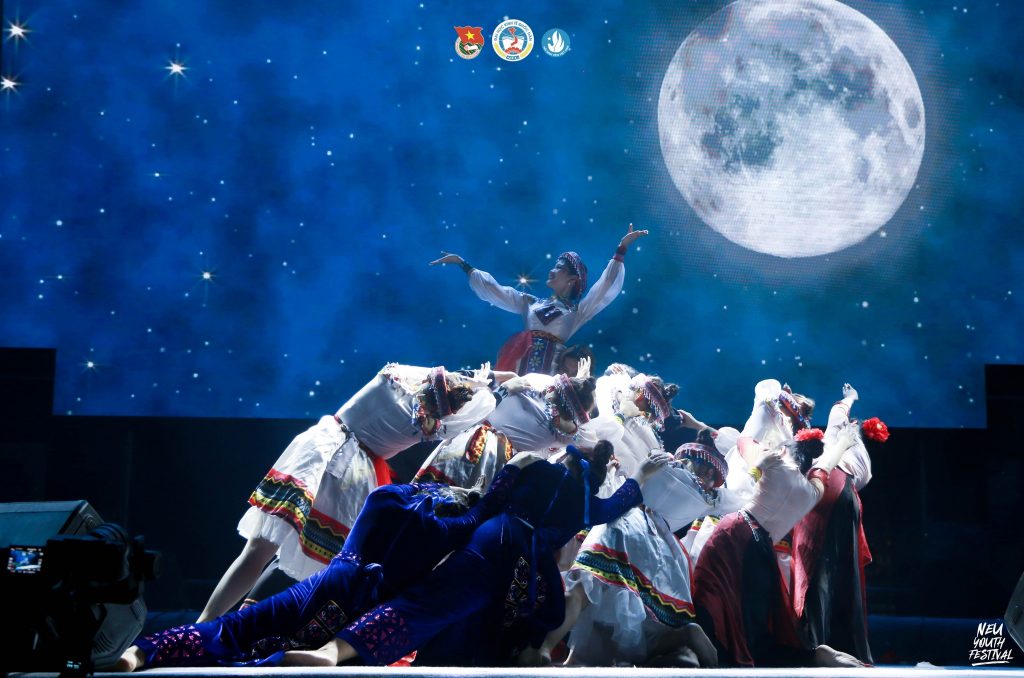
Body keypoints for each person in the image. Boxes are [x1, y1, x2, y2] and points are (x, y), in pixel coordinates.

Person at [114, 459, 532, 671]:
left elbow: (471, 499)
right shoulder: (452, 529)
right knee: (347, 639)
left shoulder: (388, 497)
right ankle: (284, 663)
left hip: (333, 581)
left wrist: (510, 470)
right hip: (369, 604)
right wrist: (515, 470)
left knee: (238, 628)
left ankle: (140, 653)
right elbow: (489, 505)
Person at [287, 446, 674, 667]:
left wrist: (466, 521)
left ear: (565, 458)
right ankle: (513, 656)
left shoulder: (532, 463)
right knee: (504, 628)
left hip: (495, 539)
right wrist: (641, 475)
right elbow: (616, 505)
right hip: (532, 569)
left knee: (429, 604)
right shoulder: (586, 503)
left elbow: (493, 499)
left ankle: (333, 651)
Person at [197, 364, 495, 622]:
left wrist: (487, 382)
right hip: (339, 463)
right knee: (280, 553)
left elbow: (464, 388)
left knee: (275, 553)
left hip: (336, 459)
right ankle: (211, 626)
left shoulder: (400, 381)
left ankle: (219, 625)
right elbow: (471, 395)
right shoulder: (421, 411)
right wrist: (491, 383)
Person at [553, 428, 737, 667]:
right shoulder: (683, 479)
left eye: (708, 472)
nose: (704, 475)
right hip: (637, 528)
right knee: (590, 587)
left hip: (646, 533)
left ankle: (554, 652)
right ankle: (555, 652)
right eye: (701, 466)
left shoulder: (698, 491)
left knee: (590, 588)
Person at [692, 422, 865, 668]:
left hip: (735, 533)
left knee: (709, 592)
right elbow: (824, 466)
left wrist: (700, 426)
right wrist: (844, 442)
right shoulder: (813, 492)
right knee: (753, 615)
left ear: (786, 450)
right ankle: (812, 656)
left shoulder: (775, 463)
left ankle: (714, 648)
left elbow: (744, 441)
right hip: (762, 548)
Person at [430, 224, 647, 375]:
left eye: (559, 268)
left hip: (550, 370)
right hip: (517, 362)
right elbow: (496, 290)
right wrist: (463, 265)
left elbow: (603, 288)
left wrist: (621, 249)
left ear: (572, 280)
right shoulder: (531, 302)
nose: (551, 271)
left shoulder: (576, 313)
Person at [791, 384, 878, 664]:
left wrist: (850, 398)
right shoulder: (863, 462)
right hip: (846, 497)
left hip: (827, 486)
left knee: (814, 566)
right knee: (842, 571)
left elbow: (837, 413)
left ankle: (815, 644)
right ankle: (845, 644)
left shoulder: (837, 437)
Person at [414, 367, 611, 490]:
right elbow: (591, 440)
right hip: (497, 459)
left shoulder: (528, 383)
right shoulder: (565, 432)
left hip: (471, 439)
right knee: (459, 503)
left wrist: (505, 388)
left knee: (430, 489)